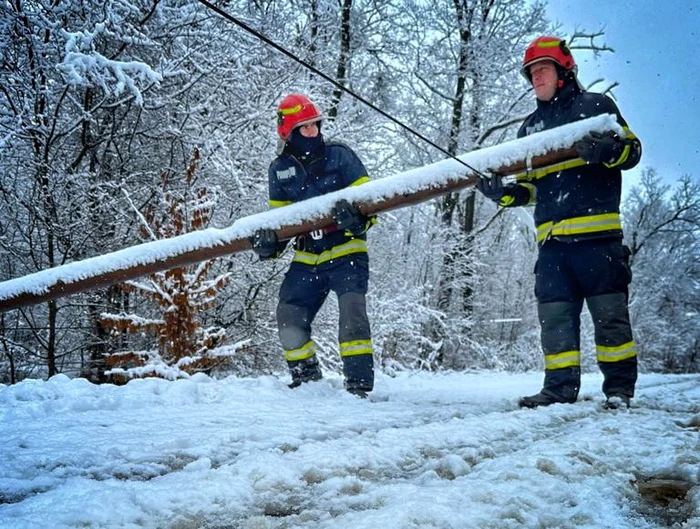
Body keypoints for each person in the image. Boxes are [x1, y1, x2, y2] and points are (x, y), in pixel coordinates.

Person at [476, 36, 642, 409]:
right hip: (552, 248)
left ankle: (618, 390)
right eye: (531, 72)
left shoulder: (597, 107)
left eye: (543, 69)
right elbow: (530, 191)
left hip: (598, 241)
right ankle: (558, 389)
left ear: (564, 71)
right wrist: (501, 193)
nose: (536, 77)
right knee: (555, 323)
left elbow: (633, 151)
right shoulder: (529, 130)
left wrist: (610, 149)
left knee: (610, 320)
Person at [250, 93, 375, 397]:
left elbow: (373, 200)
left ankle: (358, 384)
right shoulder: (279, 169)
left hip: (347, 249)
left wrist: (359, 220)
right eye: (304, 127)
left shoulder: (340, 155)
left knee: (352, 311)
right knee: (289, 311)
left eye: (314, 125)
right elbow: (282, 222)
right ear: (288, 132)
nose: (312, 132)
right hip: (308, 255)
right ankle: (306, 379)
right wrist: (270, 246)